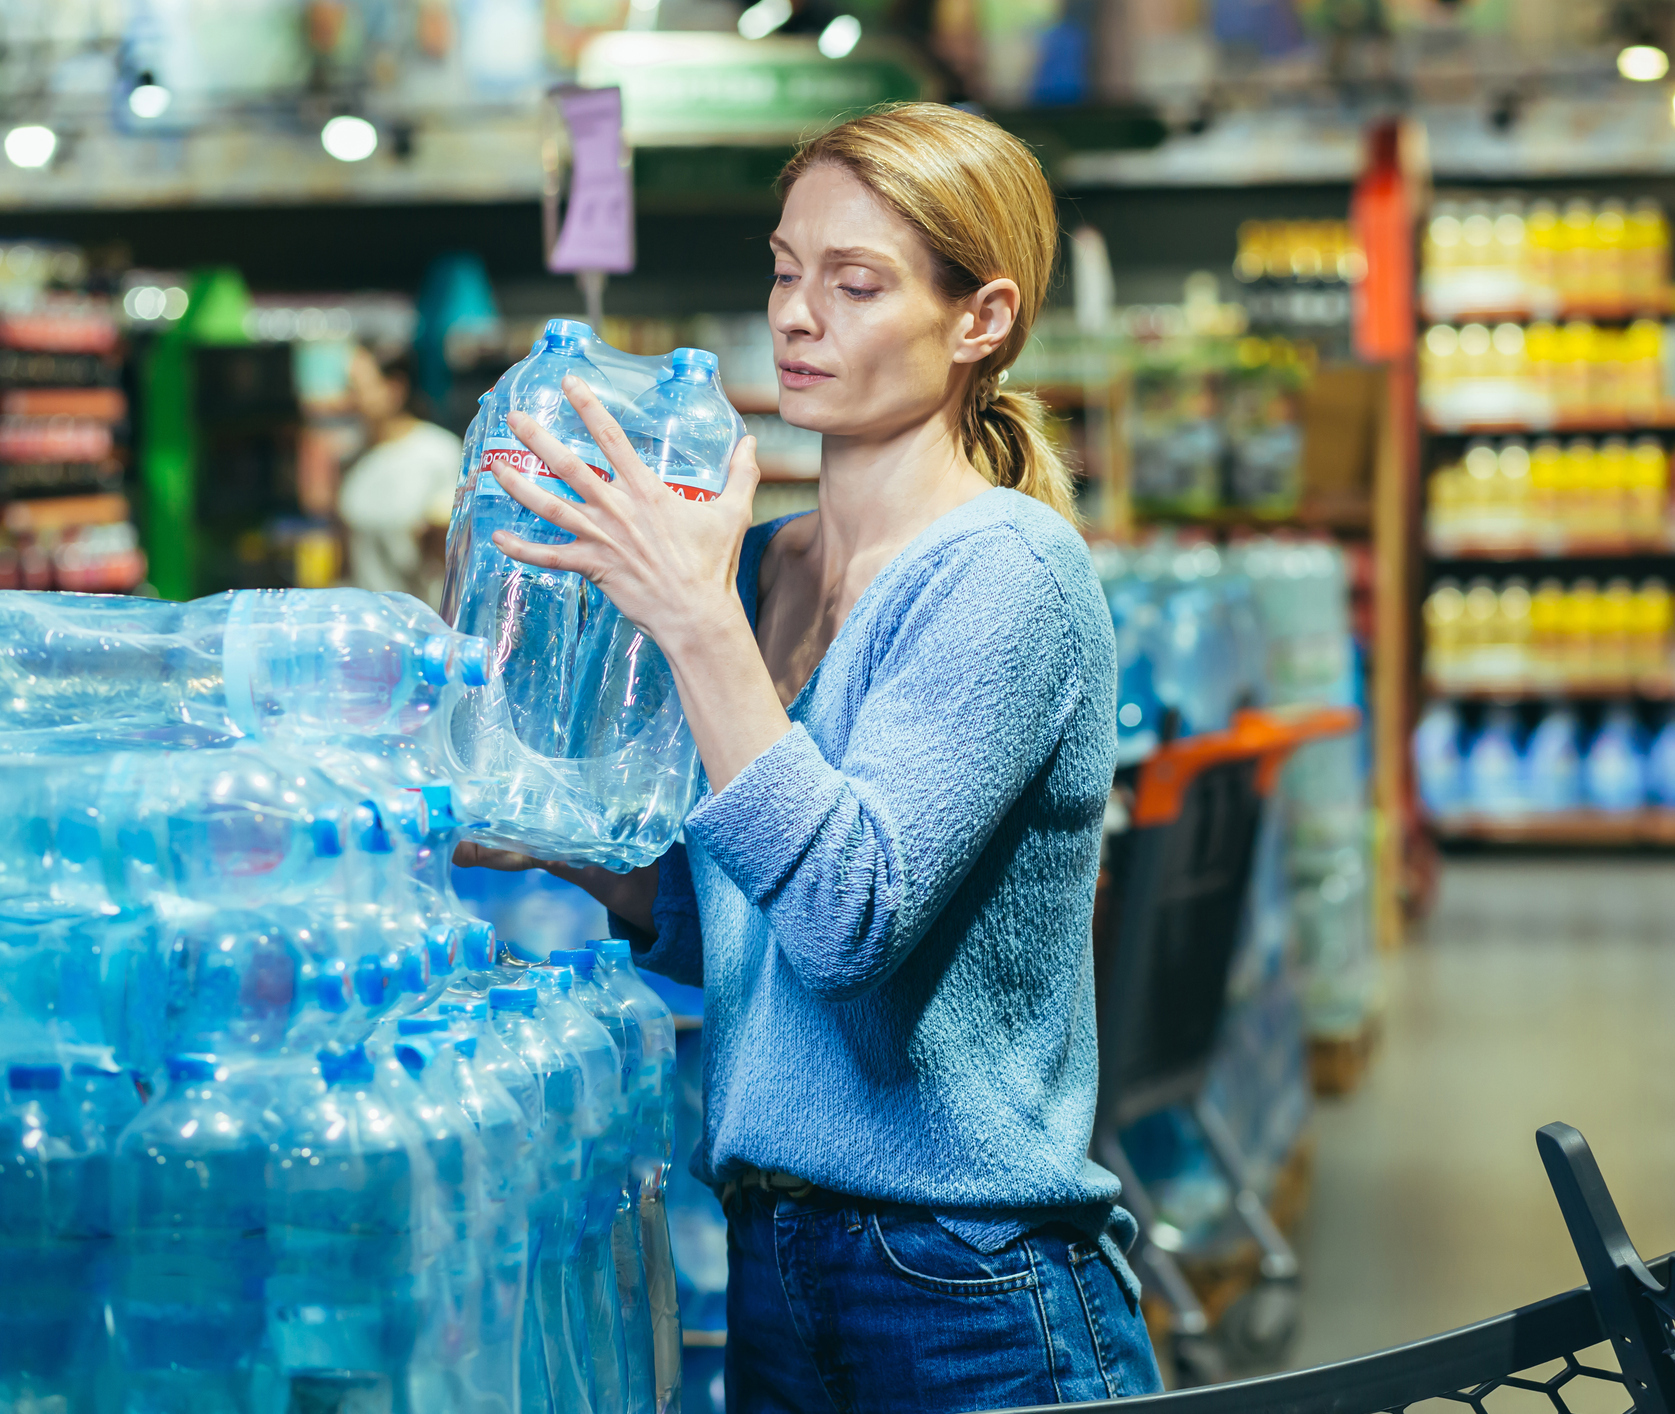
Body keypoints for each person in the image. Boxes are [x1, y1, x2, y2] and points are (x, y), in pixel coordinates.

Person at [457, 103, 1162, 1410]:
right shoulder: (769, 565)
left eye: (854, 283)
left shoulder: (1004, 572)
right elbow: (746, 928)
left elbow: (849, 916)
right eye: (785, 270)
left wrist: (691, 619)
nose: (794, 314)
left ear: (979, 319)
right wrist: (546, 838)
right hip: (781, 1266)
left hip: (968, 1286)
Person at [337, 344, 461, 606]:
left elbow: (453, 552)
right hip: (367, 623)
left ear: (394, 389)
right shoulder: (352, 458)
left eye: (357, 388)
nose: (350, 399)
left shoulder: (439, 453)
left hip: (420, 623)